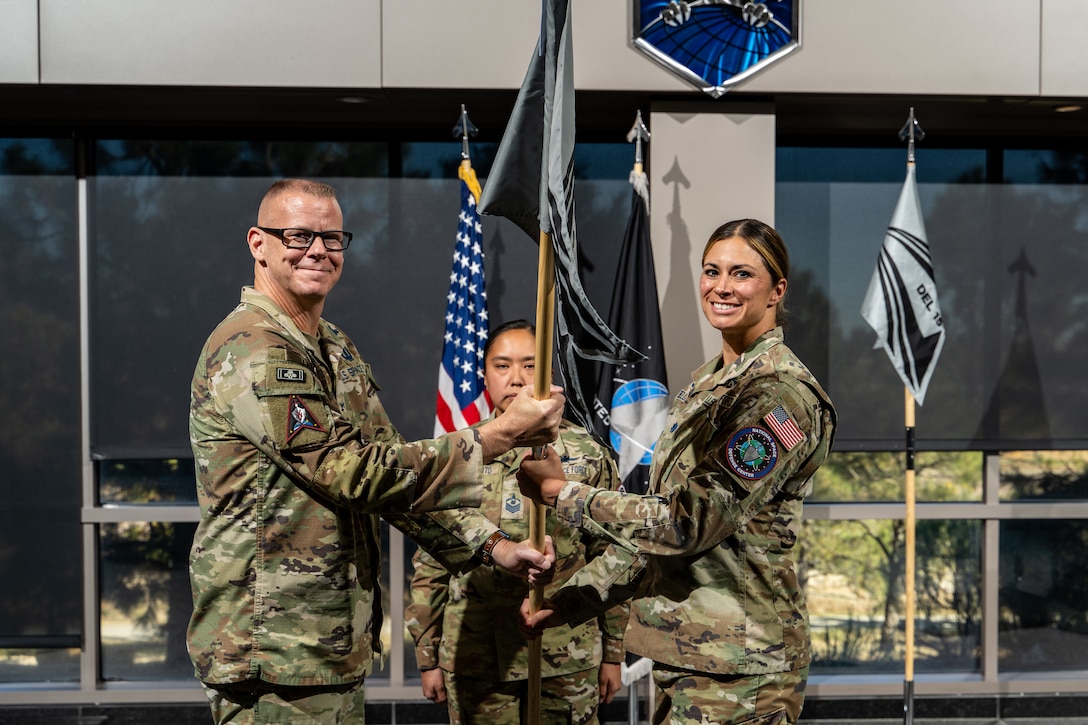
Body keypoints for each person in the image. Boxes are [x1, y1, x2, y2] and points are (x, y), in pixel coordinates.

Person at [187, 179, 565, 725]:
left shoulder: (332, 347)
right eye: (297, 235)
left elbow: (395, 474)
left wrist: (493, 548)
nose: (317, 250)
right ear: (258, 243)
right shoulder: (255, 351)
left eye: (332, 237)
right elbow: (351, 475)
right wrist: (499, 435)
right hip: (272, 650)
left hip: (328, 643)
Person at [516, 219, 837, 725]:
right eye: (712, 271)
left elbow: (687, 523)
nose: (722, 286)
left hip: (740, 673)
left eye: (742, 274)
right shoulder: (708, 387)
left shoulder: (779, 396)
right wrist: (575, 599)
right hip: (688, 658)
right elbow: (657, 540)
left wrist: (562, 493)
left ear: (777, 290)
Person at [406, 320, 628, 724]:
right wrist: (427, 656)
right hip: (477, 656)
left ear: (548, 376)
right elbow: (431, 563)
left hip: (566, 654)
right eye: (502, 366)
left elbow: (612, 557)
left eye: (530, 366)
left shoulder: (589, 455)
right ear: (485, 374)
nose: (516, 379)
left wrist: (613, 653)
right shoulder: (458, 456)